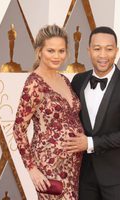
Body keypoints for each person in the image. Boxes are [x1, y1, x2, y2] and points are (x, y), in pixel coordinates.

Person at [64, 26, 120, 200]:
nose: (103, 55)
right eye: (97, 49)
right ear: (88, 50)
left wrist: (90, 143)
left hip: (118, 178)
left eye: (109, 49)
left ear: (116, 51)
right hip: (84, 176)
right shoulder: (78, 81)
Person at [13, 24, 84, 200]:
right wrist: (32, 169)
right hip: (50, 164)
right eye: (51, 51)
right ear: (39, 52)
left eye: (61, 51)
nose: (56, 56)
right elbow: (18, 129)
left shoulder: (64, 80)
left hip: (73, 164)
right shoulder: (34, 84)